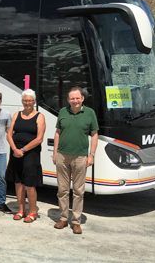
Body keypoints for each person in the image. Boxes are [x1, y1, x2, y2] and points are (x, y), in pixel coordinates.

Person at [53, 87, 99, 235]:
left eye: (77, 98)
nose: (75, 101)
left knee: (79, 191)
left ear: (82, 99)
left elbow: (94, 135)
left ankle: (76, 221)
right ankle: (63, 218)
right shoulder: (63, 112)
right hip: (62, 156)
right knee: (62, 190)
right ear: (68, 100)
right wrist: (55, 153)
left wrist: (91, 155)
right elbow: (58, 133)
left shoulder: (90, 113)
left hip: (80, 157)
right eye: (72, 98)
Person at [6, 89, 46, 223]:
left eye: (29, 100)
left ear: (34, 101)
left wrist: (22, 150)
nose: (27, 103)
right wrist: (14, 149)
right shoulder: (17, 114)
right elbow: (9, 134)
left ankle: (33, 211)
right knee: (18, 183)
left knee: (29, 184)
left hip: (30, 154)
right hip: (16, 153)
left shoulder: (40, 116)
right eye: (25, 100)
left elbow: (39, 138)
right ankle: (21, 209)